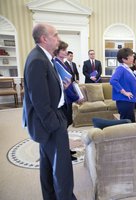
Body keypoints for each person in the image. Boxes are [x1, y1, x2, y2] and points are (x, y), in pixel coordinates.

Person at [22, 23, 77, 199]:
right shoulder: (38, 60)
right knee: (62, 170)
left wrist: (62, 86)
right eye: (56, 35)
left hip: (51, 118)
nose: (58, 39)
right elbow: (39, 101)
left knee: (48, 165)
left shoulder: (44, 57)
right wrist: (55, 125)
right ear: (44, 38)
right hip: (50, 122)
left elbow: (46, 89)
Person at [110, 48, 136, 122]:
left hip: (129, 100)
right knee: (127, 124)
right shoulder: (121, 69)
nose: (133, 57)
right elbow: (113, 81)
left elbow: (127, 82)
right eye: (131, 56)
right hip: (124, 101)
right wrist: (124, 92)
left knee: (130, 123)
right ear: (124, 59)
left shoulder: (128, 69)